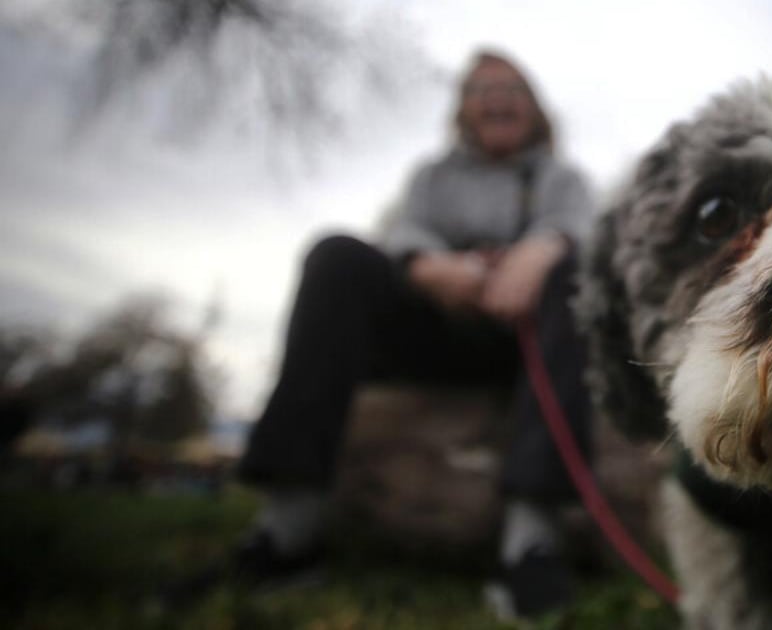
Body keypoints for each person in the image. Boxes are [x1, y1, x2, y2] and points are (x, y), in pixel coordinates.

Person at [233, 49, 595, 618]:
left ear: (535, 109)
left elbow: (581, 226)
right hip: (433, 331)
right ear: (464, 109)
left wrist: (542, 250)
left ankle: (532, 541)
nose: (498, 96)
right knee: (336, 257)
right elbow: (405, 230)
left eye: (512, 88)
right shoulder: (433, 176)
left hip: (524, 344)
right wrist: (430, 267)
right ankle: (288, 529)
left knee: (575, 278)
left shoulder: (561, 177)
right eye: (482, 88)